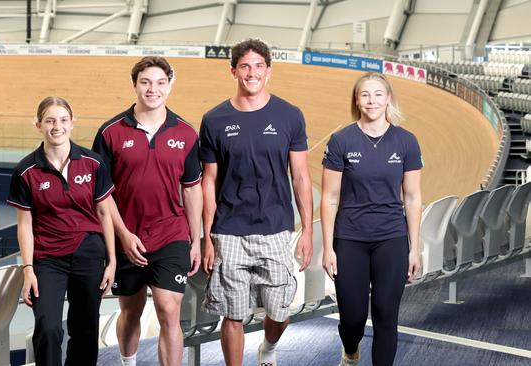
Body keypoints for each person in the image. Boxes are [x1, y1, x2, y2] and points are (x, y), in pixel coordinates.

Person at [199, 38, 314, 366]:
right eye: (245, 66)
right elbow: (209, 181)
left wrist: (306, 230)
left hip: (276, 229)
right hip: (230, 231)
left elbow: (301, 177)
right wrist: (208, 236)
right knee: (232, 316)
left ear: (269, 71)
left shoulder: (290, 115)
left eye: (259, 66)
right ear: (233, 70)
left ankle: (269, 346)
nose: (252, 73)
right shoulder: (214, 120)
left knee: (280, 312)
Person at [92, 56, 202, 366]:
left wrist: (196, 240)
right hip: (128, 236)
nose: (153, 89)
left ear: (170, 86)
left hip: (171, 234)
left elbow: (192, 188)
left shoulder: (186, 133)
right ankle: (129, 362)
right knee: (131, 310)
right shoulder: (110, 132)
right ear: (134, 85)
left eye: (160, 82)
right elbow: (102, 195)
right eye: (145, 82)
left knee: (169, 308)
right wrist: (123, 236)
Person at [320, 72, 422, 366]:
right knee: (352, 320)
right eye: (365, 94)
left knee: (385, 314)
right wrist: (328, 248)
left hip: (391, 238)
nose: (372, 100)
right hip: (350, 238)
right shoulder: (341, 140)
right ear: (356, 100)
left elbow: (413, 198)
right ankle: (350, 351)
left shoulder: (406, 142)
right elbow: (329, 198)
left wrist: (414, 248)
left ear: (388, 98)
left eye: (378, 94)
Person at [7, 96, 116, 366]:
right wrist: (28, 268)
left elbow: (105, 213)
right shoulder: (26, 171)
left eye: (64, 120)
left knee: (85, 329)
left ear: (72, 123)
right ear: (38, 125)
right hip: (47, 261)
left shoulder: (93, 163)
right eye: (50, 120)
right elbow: (25, 224)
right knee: (48, 328)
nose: (58, 126)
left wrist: (112, 260)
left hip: (88, 254)